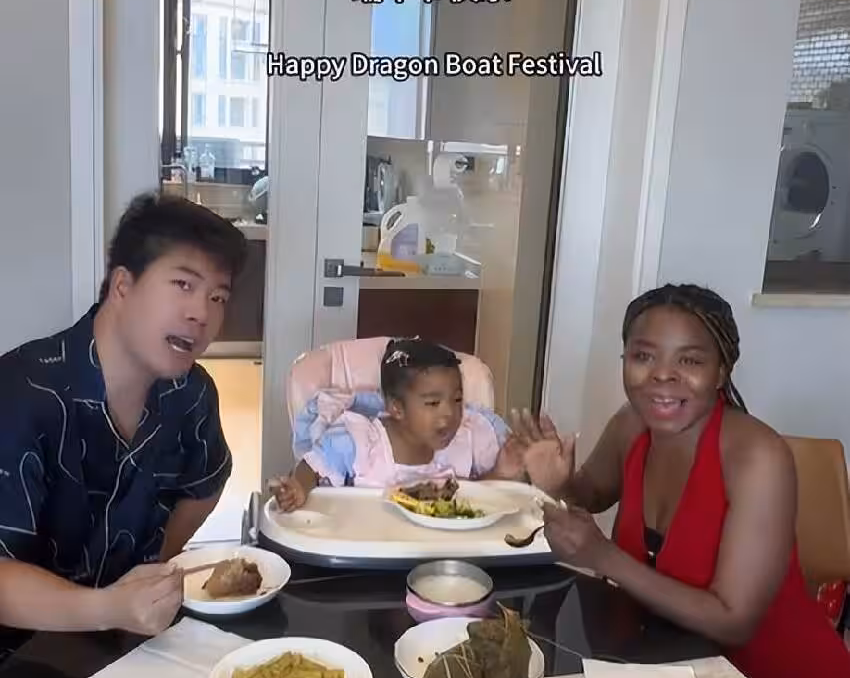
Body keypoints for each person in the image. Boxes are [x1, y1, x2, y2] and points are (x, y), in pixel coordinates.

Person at [521, 282, 850, 678]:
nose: (662, 375)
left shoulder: (757, 456)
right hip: (677, 675)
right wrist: (561, 481)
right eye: (643, 356)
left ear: (721, 371)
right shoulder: (633, 424)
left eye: (690, 360)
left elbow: (734, 620)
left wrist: (604, 557)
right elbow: (592, 493)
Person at [0, 191, 245, 638]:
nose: (201, 314)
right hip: (20, 652)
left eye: (218, 297)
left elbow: (207, 482)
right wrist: (108, 608)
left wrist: (152, 571)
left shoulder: (191, 392)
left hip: (128, 642)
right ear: (122, 286)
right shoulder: (23, 392)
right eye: (183, 285)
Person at [272, 338, 545, 510]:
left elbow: (477, 501)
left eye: (457, 399)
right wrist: (298, 487)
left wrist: (500, 473)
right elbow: (311, 466)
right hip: (370, 558)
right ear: (396, 408)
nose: (449, 414)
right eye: (433, 403)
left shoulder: (469, 438)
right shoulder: (359, 442)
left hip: (446, 558)